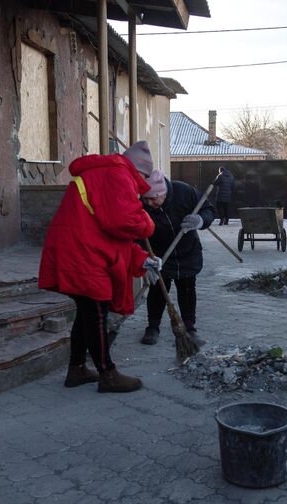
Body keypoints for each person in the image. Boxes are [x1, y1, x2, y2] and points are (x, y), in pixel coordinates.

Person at [38, 142, 162, 393]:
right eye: (144, 178)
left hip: (80, 249)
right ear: (139, 171)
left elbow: (110, 232)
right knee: (96, 315)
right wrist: (148, 224)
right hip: (82, 255)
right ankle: (108, 374)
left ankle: (77, 369)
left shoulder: (106, 173)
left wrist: (141, 259)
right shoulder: (119, 175)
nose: (142, 188)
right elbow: (123, 222)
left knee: (86, 314)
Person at [140, 169, 216, 347]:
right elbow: (136, 235)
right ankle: (152, 327)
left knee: (187, 290)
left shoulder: (184, 192)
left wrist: (200, 220)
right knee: (158, 289)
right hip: (158, 255)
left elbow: (209, 210)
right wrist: (144, 259)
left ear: (163, 193)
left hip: (187, 252)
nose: (149, 203)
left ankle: (189, 328)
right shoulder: (141, 205)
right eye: (146, 199)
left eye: (153, 198)